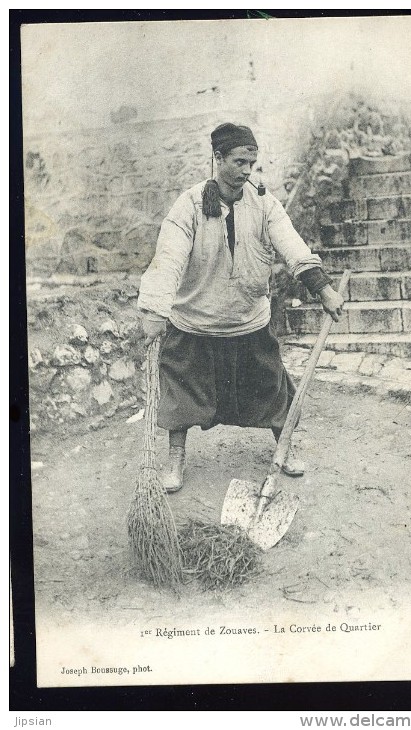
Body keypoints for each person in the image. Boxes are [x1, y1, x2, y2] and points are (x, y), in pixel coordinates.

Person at [138, 122, 343, 492]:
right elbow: (168, 258)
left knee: (272, 388)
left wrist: (322, 288)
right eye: (239, 161)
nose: (248, 170)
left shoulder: (264, 203)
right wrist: (155, 309)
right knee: (182, 396)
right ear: (217, 158)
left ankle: (284, 448)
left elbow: (292, 244)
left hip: (248, 319)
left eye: (253, 162)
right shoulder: (188, 206)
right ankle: (175, 460)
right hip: (195, 321)